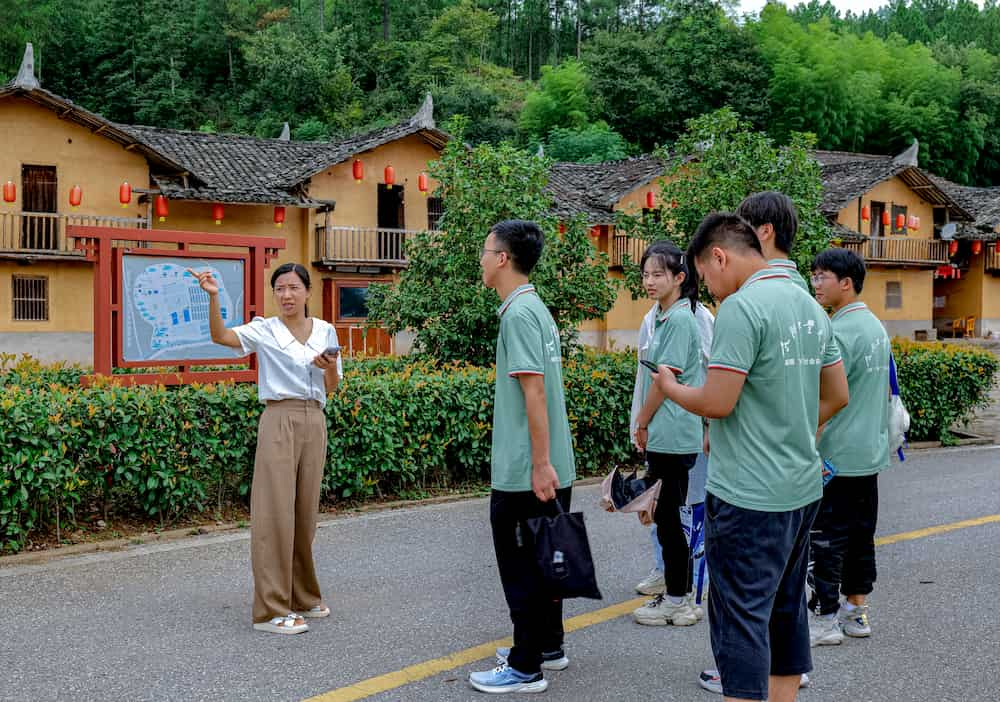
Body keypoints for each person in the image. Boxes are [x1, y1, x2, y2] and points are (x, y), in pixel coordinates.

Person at [653, 213, 849, 702]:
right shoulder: (807, 303)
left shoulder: (742, 308)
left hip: (749, 495)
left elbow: (718, 402)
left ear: (718, 256)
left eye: (705, 277)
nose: (709, 290)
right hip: (801, 487)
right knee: (785, 612)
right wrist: (789, 425)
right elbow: (837, 394)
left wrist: (671, 387)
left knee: (740, 621)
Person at [190, 262, 342, 635]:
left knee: (304, 513)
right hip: (279, 417)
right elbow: (221, 336)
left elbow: (334, 386)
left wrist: (328, 366)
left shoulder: (325, 330)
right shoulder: (264, 329)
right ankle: (271, 610)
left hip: (315, 419)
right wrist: (213, 297)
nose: (286, 295)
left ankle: (302, 594)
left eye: (293, 287)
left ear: (307, 291)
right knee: (274, 513)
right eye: (279, 289)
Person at [468, 220, 577, 694]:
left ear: (503, 259)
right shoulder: (536, 308)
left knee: (522, 570)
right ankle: (548, 646)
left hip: (527, 471)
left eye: (486, 251)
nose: (482, 259)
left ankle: (524, 666)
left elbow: (533, 392)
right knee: (546, 563)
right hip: (552, 463)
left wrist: (537, 464)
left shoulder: (518, 314)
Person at [808, 248, 891, 646]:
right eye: (814, 275)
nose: (815, 283)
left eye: (822, 276)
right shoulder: (876, 327)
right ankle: (855, 612)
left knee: (825, 538)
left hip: (835, 455)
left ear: (846, 282)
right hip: (869, 453)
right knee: (860, 536)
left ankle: (823, 622)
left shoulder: (836, 331)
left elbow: (822, 396)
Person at [630, 240, 705, 627]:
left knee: (669, 520)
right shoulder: (663, 316)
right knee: (667, 516)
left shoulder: (677, 319)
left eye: (658, 274)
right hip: (668, 432)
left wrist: (641, 422)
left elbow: (664, 380)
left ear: (680, 277)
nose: (649, 280)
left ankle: (679, 598)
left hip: (674, 432)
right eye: (645, 274)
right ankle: (683, 597)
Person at [737, 191, 809, 293]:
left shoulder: (758, 288)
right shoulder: (799, 284)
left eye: (743, 231)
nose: (737, 240)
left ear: (765, 231)